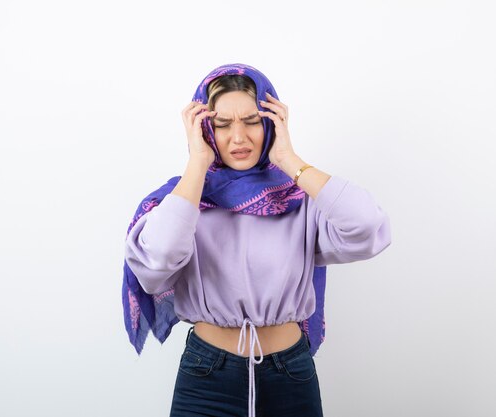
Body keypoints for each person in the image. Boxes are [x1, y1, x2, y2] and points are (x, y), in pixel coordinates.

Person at [122, 63, 392, 417]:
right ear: (203, 129)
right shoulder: (183, 199)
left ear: (271, 123)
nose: (238, 137)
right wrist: (198, 164)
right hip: (206, 376)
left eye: (252, 121)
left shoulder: (299, 197)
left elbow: (368, 227)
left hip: (289, 375)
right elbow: (156, 262)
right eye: (221, 124)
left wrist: (288, 159)